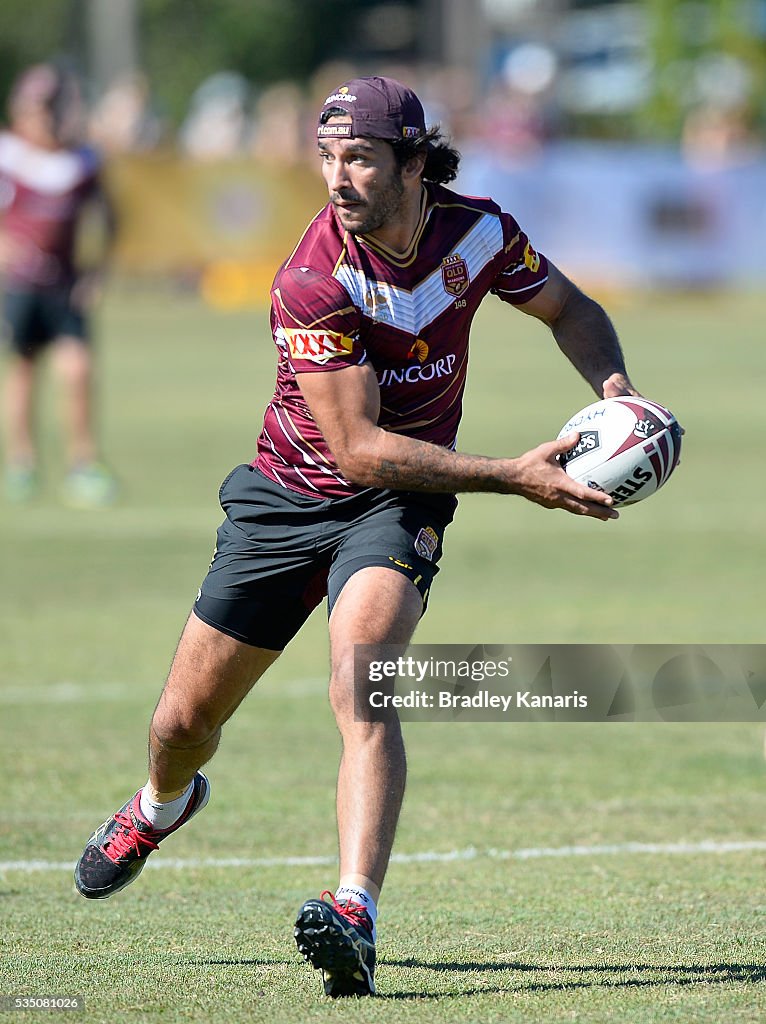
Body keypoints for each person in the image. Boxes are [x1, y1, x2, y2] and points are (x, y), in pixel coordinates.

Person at [74, 76, 640, 997]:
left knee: (364, 677)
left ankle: (353, 910)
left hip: (397, 505)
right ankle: (160, 805)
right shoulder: (311, 277)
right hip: (293, 495)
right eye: (327, 156)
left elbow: (570, 309)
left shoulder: (479, 231)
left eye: (361, 157)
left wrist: (619, 398)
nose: (337, 177)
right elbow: (361, 449)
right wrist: (514, 476)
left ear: (414, 164)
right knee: (182, 725)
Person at [0, 63, 117, 506]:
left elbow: (109, 219)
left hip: (64, 285)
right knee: (24, 372)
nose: (47, 117)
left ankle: (83, 463)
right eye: (38, 108)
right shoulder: (9, 154)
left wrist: (96, 270)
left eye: (53, 108)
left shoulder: (82, 160)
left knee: (77, 369)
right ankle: (22, 462)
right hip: (21, 284)